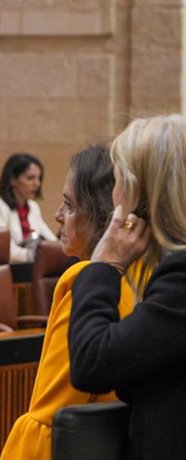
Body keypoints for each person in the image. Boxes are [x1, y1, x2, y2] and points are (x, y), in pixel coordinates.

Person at [0, 144, 135, 460]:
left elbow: (50, 417)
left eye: (69, 205)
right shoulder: (146, 276)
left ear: (104, 215)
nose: (58, 216)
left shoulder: (88, 284)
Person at [68, 114, 186, 459]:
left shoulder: (181, 276)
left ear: (140, 190)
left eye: (118, 181)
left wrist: (104, 266)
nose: (114, 196)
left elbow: (92, 363)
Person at [0, 152, 57, 263]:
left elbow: (52, 241)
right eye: (30, 178)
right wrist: (40, 255)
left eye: (39, 178)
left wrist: (59, 250)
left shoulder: (33, 206)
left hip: (32, 268)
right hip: (10, 271)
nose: (37, 184)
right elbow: (5, 250)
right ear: (13, 180)